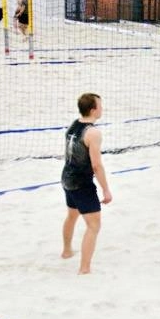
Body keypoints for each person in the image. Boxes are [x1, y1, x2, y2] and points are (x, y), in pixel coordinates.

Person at [61, 93, 113, 275]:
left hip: (66, 177)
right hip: (81, 183)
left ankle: (67, 251)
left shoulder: (74, 125)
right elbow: (96, 165)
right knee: (93, 225)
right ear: (93, 110)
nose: (102, 108)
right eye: (100, 105)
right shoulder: (93, 133)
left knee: (72, 215)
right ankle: (84, 269)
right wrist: (106, 190)